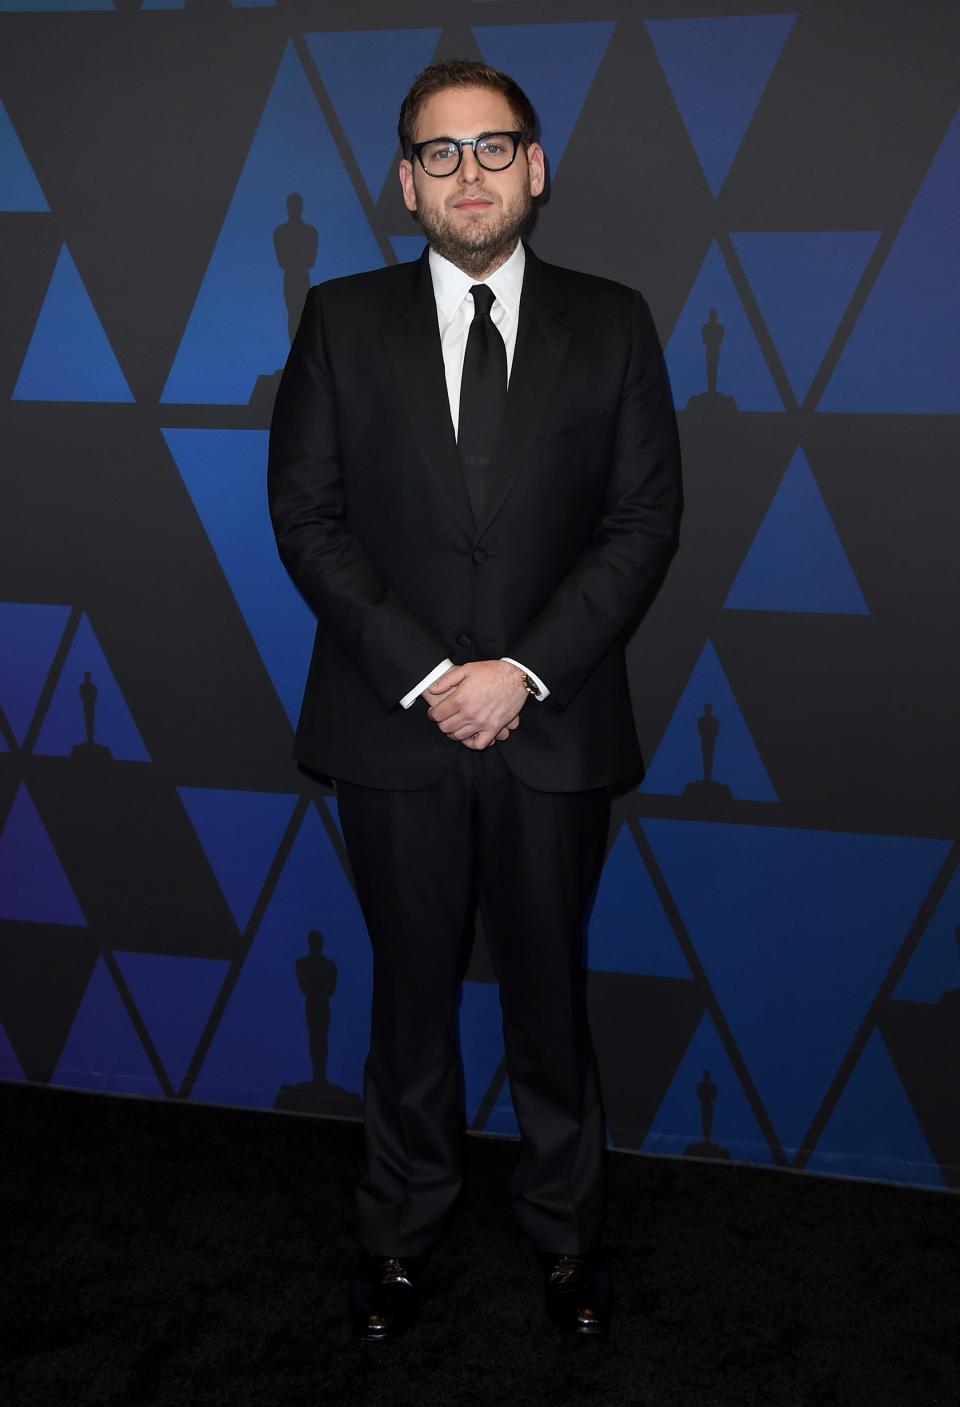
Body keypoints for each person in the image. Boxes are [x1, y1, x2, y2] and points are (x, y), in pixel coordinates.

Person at [268, 58, 682, 1341]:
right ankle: (401, 1236)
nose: (468, 173)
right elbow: (309, 518)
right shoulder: (339, 319)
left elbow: (641, 521)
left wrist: (521, 672)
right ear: (406, 181)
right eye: (438, 154)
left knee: (552, 999)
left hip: (552, 726)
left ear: (536, 165)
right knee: (408, 1003)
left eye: (493, 147)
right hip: (394, 728)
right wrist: (436, 676)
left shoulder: (614, 323)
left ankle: (567, 1239)